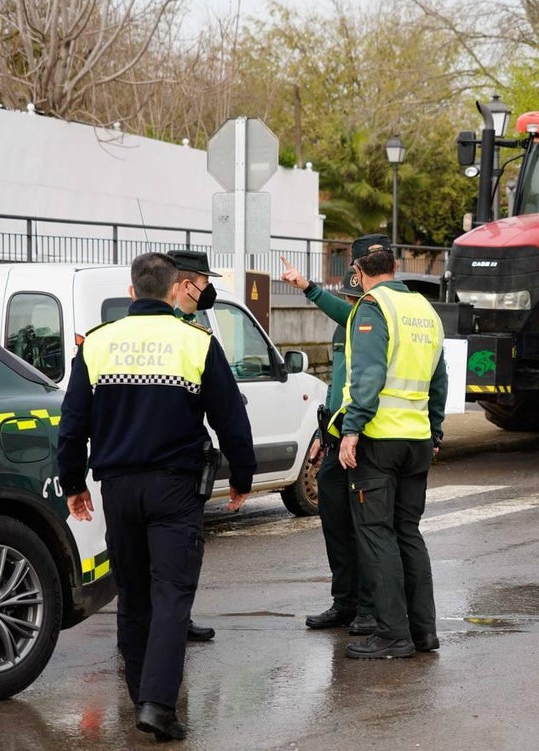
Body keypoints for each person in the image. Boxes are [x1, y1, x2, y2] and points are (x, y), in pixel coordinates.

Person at [58, 252, 256, 741]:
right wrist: (242, 476)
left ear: (131, 293)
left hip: (118, 489)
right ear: (174, 291)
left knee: (134, 594)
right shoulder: (196, 342)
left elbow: (73, 423)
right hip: (174, 487)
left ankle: (139, 695)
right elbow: (230, 417)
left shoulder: (98, 344)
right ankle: (158, 706)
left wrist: (73, 483)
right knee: (172, 595)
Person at [333, 234, 447, 659]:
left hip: (379, 440)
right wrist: (434, 431)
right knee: (408, 534)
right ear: (394, 268)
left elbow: (368, 374)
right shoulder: (424, 310)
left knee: (377, 536)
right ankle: (423, 633)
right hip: (416, 441)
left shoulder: (373, 307)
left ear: (358, 271)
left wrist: (352, 429)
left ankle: (393, 635)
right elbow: (440, 380)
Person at [279, 256, 375, 636]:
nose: (349, 306)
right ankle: (345, 602)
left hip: (366, 439)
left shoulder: (369, 321)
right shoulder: (347, 326)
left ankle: (369, 607)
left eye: (354, 298)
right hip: (337, 437)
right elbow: (337, 385)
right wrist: (323, 433)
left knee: (366, 528)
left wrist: (308, 287)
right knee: (334, 522)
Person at [166, 249, 221, 643]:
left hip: (129, 465)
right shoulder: (188, 336)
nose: (208, 289)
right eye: (204, 282)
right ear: (186, 285)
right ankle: (168, 623)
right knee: (179, 550)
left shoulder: (190, 327)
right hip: (175, 466)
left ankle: (160, 622)